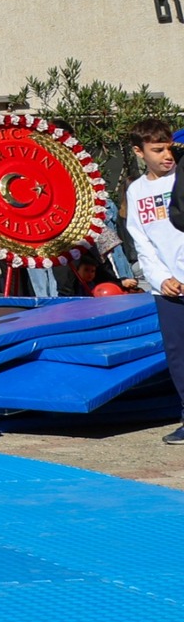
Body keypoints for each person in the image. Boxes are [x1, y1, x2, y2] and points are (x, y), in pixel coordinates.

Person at [122, 119, 184, 446]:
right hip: (168, 287)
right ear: (139, 151)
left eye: (169, 148)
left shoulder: (181, 178)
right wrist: (161, 278)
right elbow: (142, 242)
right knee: (178, 354)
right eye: (157, 150)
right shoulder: (136, 191)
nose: (167, 155)